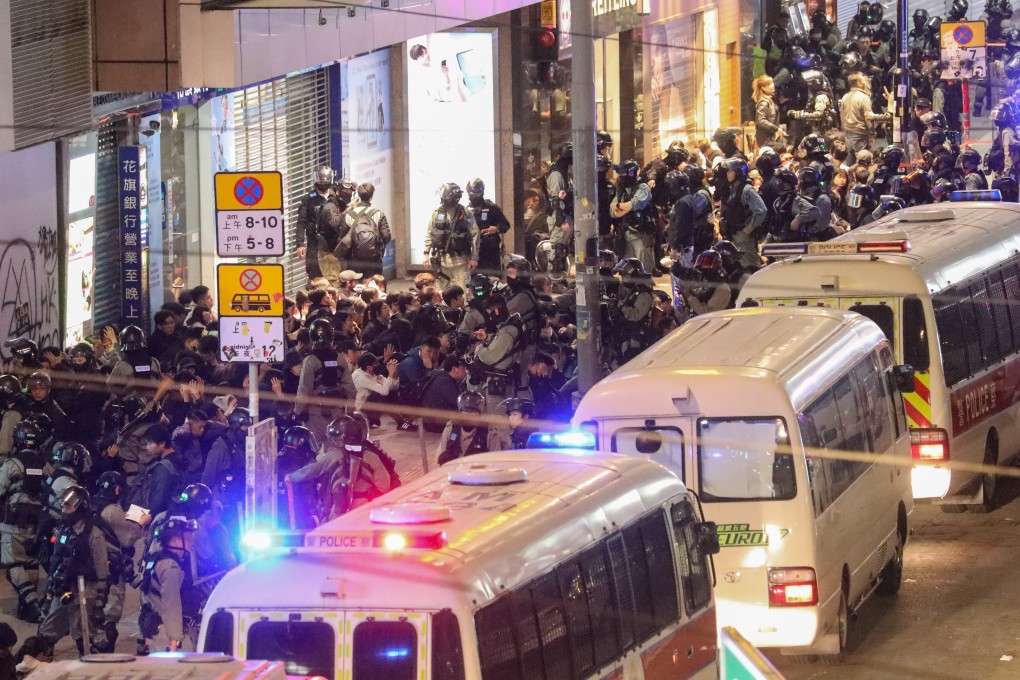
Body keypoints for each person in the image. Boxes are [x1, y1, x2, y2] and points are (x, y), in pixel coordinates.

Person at [38, 486, 110, 657]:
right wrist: (49, 590)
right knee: (46, 632)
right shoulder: (63, 530)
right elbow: (55, 561)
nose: (64, 509)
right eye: (63, 505)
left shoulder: (94, 534)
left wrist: (100, 602)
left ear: (81, 507)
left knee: (84, 636)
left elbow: (102, 571)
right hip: (62, 589)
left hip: (85, 590)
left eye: (68, 506)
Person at [0, 420, 46, 623]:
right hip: (36, 525)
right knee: (31, 564)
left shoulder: (12, 464)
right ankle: (27, 610)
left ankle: (33, 604)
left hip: (13, 524)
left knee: (13, 566)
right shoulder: (44, 465)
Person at [138, 516, 199, 653]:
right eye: (187, 537)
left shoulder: (156, 558)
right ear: (175, 540)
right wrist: (175, 640)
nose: (191, 542)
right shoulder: (170, 568)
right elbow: (172, 605)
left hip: (153, 627)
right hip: (165, 633)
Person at [424, 183, 479, 288]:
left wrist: (474, 257)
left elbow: (475, 235)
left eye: (446, 195)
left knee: (464, 291)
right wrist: (426, 253)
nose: (444, 198)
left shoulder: (465, 213)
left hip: (460, 261)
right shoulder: (436, 213)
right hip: (441, 260)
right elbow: (430, 233)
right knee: (441, 291)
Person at [719, 158, 767, 269]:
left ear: (738, 172)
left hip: (743, 237)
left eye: (730, 171)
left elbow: (761, 210)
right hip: (733, 235)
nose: (728, 173)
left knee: (750, 267)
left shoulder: (747, 190)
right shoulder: (732, 189)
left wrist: (750, 227)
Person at [610, 160, 656, 273]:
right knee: (626, 270)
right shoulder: (621, 189)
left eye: (624, 174)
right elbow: (612, 212)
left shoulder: (643, 187)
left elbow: (634, 205)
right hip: (626, 234)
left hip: (641, 234)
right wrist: (621, 207)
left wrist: (619, 206)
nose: (621, 177)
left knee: (644, 270)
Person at [338, 182, 391, 278]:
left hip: (354, 259)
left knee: (357, 285)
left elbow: (342, 237)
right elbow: (386, 236)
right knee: (374, 285)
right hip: (374, 259)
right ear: (371, 197)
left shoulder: (349, 215)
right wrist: (378, 247)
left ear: (359, 195)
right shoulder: (379, 213)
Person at [466, 178, 511, 277]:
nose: (474, 195)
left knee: (493, 281)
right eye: (471, 192)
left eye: (477, 193)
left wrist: (496, 229)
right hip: (474, 254)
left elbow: (506, 225)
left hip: (490, 254)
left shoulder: (491, 207)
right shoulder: (466, 211)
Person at [139, 424, 184, 518]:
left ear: (162, 443)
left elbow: (159, 500)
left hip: (162, 518)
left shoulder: (164, 468)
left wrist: (149, 516)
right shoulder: (179, 458)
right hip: (176, 513)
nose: (147, 447)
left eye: (150, 443)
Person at [545, 143, 574, 281]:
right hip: (559, 217)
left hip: (564, 215)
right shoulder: (556, 174)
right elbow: (556, 201)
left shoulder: (563, 173)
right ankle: (554, 280)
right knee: (557, 249)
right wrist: (561, 220)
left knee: (562, 249)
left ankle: (560, 278)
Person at [107, 326, 162, 398]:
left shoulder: (121, 366)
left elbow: (110, 386)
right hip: (152, 403)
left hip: (130, 406)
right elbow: (159, 381)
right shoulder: (154, 362)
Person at [420, 355, 468, 433]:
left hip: (433, 419)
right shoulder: (445, 382)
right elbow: (460, 403)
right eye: (464, 368)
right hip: (435, 423)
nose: (466, 371)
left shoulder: (443, 377)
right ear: (455, 369)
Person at [352, 353, 400, 427]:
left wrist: (394, 375)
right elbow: (384, 392)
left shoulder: (372, 374)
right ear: (369, 367)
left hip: (368, 410)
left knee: (391, 393)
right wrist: (390, 374)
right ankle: (401, 422)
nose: (378, 365)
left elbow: (393, 387)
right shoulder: (361, 377)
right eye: (375, 364)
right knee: (379, 394)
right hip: (361, 416)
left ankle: (407, 419)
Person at [840, 73, 882, 157]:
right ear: (858, 83)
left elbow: (842, 115)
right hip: (860, 134)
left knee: (850, 158)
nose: (865, 83)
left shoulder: (844, 97)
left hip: (848, 133)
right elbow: (868, 118)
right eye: (863, 81)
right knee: (863, 159)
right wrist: (872, 134)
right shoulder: (864, 98)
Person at [753, 75, 786, 149]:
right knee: (783, 148)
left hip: (769, 137)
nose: (773, 85)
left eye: (772, 83)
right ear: (763, 88)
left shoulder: (770, 99)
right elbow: (761, 120)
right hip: (765, 140)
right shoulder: (764, 102)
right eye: (769, 84)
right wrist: (776, 129)